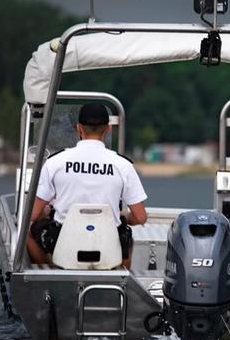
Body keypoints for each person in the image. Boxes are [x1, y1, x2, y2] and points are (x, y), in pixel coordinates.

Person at [27, 103, 148, 268]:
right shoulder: (123, 165)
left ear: (79, 129)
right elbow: (141, 217)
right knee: (126, 237)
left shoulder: (55, 162)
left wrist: (47, 211)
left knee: (26, 232)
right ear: (108, 129)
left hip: (63, 244)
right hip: (108, 246)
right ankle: (120, 279)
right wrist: (125, 217)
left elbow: (32, 214)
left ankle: (50, 269)